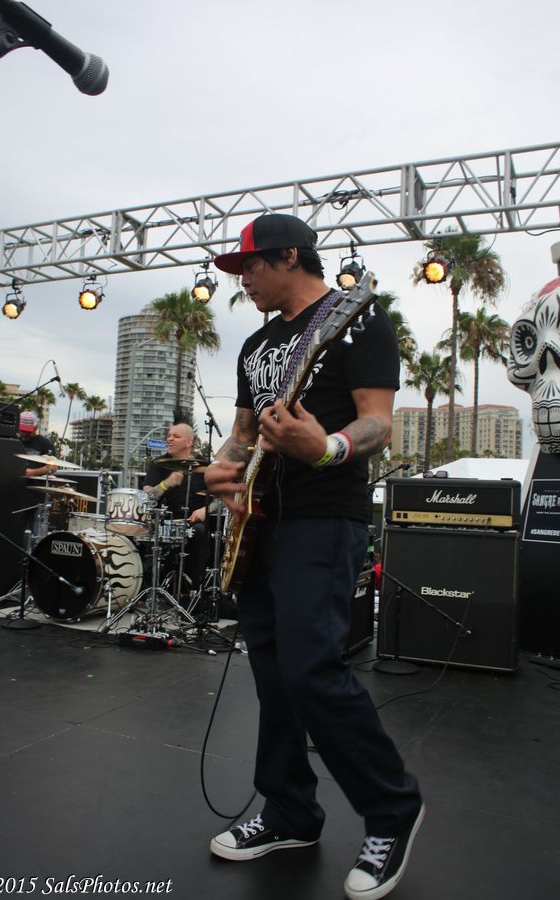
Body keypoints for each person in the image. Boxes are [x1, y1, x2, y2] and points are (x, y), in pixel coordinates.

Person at [204, 214, 424, 900]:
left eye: (251, 267)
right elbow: (243, 434)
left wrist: (325, 447)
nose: (244, 281)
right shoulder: (255, 344)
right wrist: (222, 469)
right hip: (261, 521)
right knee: (274, 674)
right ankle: (290, 811)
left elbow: (379, 422)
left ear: (290, 257)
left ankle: (392, 808)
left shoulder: (358, 321)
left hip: (324, 515)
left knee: (311, 667)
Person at [143, 423, 210, 592]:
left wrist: (207, 510)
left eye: (176, 436)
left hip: (194, 523)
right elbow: (147, 498)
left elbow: (221, 497)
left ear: (189, 442)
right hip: (164, 522)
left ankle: (197, 589)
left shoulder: (204, 466)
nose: (169, 439)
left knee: (201, 531)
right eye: (169, 435)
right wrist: (165, 484)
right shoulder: (158, 464)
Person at [18, 411, 57, 477]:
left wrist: (34, 472)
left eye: (28, 432)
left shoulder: (45, 443)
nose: (24, 434)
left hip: (36, 482)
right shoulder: (14, 441)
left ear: (36, 427)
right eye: (22, 431)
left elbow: (53, 467)